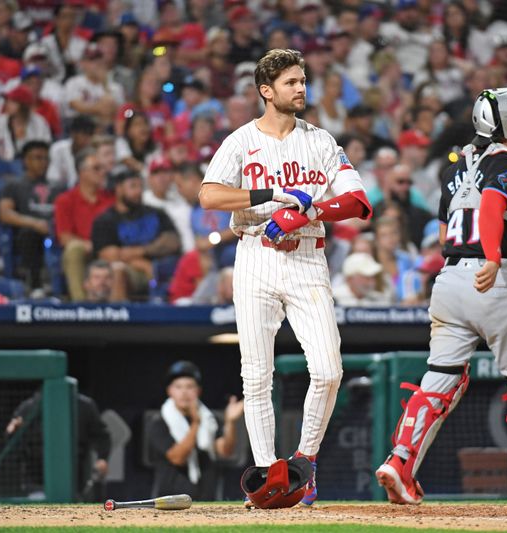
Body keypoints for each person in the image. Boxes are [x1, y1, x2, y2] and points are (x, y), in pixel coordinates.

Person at [375, 88, 507, 505]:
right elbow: (492, 204)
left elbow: (443, 235)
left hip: (449, 279)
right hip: (491, 278)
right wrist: (494, 256)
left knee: (440, 378)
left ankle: (400, 462)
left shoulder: (457, 167)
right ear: (503, 125)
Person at [198, 49, 372, 507]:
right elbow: (209, 196)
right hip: (256, 253)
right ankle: (267, 477)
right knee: (256, 376)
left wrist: (308, 211)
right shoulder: (240, 140)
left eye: (302, 80)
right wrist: (273, 194)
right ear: (266, 91)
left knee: (330, 370)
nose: (301, 88)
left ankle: (304, 463)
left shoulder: (320, 140)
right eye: (291, 82)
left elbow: (359, 203)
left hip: (308, 258)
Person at [147, 361, 244, 500]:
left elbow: (225, 451)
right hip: (170, 502)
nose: (184, 392)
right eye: (178, 387)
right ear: (170, 391)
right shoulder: (159, 422)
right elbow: (178, 458)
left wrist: (230, 422)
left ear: (198, 391)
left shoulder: (209, 419)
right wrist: (195, 423)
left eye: (190, 386)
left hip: (206, 498)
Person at [91, 168, 181, 301]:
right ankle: (119, 316)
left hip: (162, 267)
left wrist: (142, 251)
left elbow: (172, 242)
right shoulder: (105, 220)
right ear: (119, 189)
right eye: (133, 186)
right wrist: (143, 264)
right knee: (118, 270)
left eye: (140, 186)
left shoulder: (156, 213)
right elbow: (109, 255)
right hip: (131, 272)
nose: (138, 191)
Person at [6, 389, 111, 501]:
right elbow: (12, 438)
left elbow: (102, 436)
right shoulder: (29, 407)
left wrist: (102, 458)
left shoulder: (84, 405)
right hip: (36, 478)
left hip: (75, 480)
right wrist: (12, 432)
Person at [53, 149, 115, 302]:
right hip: (84, 250)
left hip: (110, 250)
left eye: (102, 168)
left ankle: (119, 310)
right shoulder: (65, 200)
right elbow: (65, 237)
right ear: (82, 172)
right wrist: (89, 245)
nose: (102, 172)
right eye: (96, 168)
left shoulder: (112, 199)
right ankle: (80, 306)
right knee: (73, 249)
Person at [0, 140, 58, 291]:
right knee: (29, 234)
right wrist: (34, 223)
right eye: (38, 158)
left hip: (55, 231)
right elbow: (5, 214)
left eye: (46, 158)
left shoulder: (58, 186)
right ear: (26, 160)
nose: (43, 162)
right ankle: (35, 284)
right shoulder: (13, 185)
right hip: (27, 232)